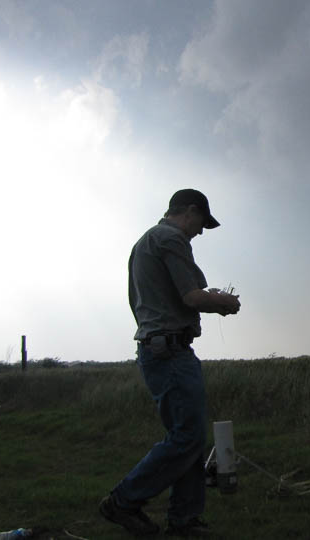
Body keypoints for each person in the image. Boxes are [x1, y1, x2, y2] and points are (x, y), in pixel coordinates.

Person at [100, 188, 241, 538]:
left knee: (187, 437)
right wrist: (224, 301)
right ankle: (123, 500)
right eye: (202, 223)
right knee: (187, 437)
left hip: (160, 350)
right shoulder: (171, 238)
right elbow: (191, 296)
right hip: (170, 352)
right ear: (190, 212)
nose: (201, 231)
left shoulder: (146, 242)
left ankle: (184, 520)